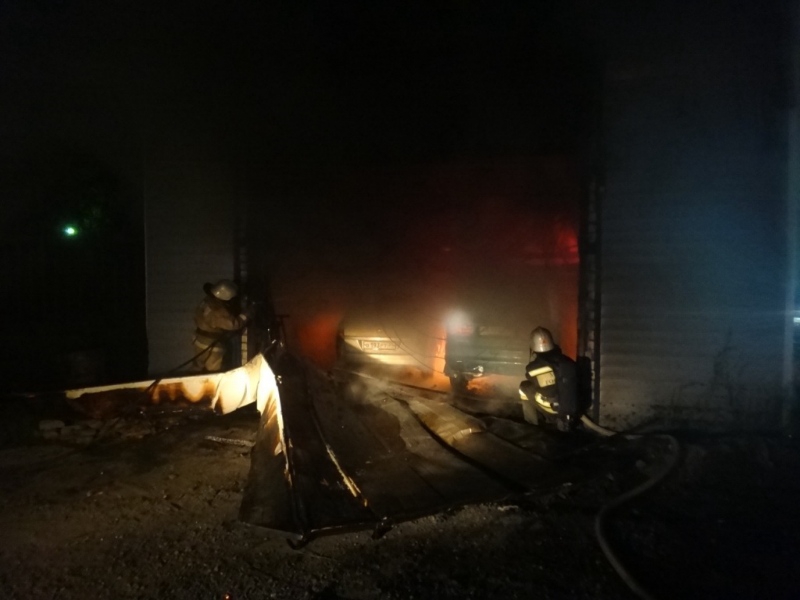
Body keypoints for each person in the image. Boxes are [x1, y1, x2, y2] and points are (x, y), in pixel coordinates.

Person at [518, 326, 581, 431]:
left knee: (524, 387)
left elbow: (532, 382)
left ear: (533, 345)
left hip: (555, 408)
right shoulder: (566, 360)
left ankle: (532, 425)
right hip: (576, 406)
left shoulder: (533, 367)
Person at [192, 279, 248, 372]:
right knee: (214, 373)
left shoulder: (207, 301)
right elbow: (233, 324)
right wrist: (247, 314)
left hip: (198, 340)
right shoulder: (218, 311)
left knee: (197, 368)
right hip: (210, 346)